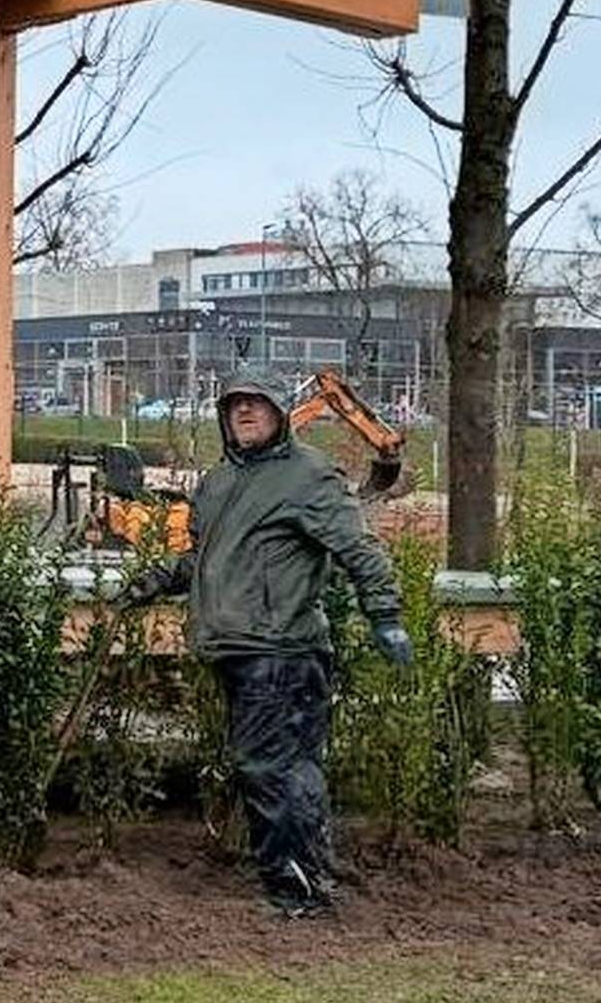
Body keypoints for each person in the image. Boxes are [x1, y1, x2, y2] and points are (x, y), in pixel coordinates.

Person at [119, 371, 414, 917]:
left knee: (272, 768)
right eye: (235, 407)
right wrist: (157, 579)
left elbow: (359, 549)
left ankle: (296, 892)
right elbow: (208, 558)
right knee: (284, 767)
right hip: (238, 646)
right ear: (224, 417)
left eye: (257, 405)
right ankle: (309, 877)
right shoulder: (220, 482)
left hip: (283, 650)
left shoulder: (308, 477)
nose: (245, 414)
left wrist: (386, 615)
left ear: (280, 413)